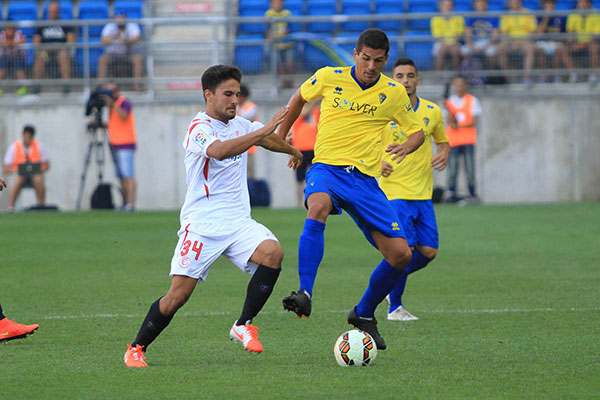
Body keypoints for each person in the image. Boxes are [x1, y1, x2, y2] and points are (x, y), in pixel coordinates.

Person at [122, 64, 302, 367]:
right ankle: (136, 348)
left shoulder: (240, 124)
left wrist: (290, 151)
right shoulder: (199, 128)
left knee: (273, 253)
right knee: (177, 297)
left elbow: (263, 140)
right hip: (201, 227)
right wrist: (263, 129)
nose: (235, 100)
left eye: (238, 94)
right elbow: (220, 151)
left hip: (238, 222)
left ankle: (243, 324)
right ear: (209, 95)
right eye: (227, 94)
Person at [277, 29, 425, 351]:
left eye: (379, 60)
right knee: (317, 205)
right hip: (327, 168)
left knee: (401, 255)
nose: (371, 66)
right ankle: (304, 292)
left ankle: (363, 312)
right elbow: (299, 97)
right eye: (366, 58)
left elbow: (417, 132)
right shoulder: (329, 77)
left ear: (385, 60)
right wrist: (283, 136)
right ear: (356, 54)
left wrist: (406, 147)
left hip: (365, 181)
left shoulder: (394, 93)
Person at [380, 57, 450, 321]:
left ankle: (387, 282)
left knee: (429, 251)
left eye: (410, 76)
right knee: (404, 252)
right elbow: (366, 143)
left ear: (417, 80)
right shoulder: (384, 112)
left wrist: (443, 153)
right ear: (392, 80)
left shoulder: (432, 111)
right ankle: (394, 307)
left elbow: (443, 142)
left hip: (423, 194)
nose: (405, 81)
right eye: (399, 76)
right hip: (395, 192)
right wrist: (379, 163)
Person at [445, 75, 482, 203]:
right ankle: (451, 194)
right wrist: (452, 123)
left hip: (468, 140)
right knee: (452, 169)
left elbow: (474, 120)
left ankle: (472, 194)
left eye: (462, 83)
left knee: (470, 169)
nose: (459, 86)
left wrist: (458, 125)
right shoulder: (450, 101)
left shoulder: (472, 100)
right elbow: (448, 119)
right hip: (453, 140)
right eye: (457, 84)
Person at [103, 83, 137, 211]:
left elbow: (124, 116)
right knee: (121, 175)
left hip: (126, 143)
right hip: (115, 143)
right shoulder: (112, 105)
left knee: (128, 174)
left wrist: (112, 104)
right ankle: (124, 202)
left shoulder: (123, 102)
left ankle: (131, 203)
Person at [3, 125, 50, 211]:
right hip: (20, 175)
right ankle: (11, 206)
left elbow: (46, 164)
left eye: (30, 136)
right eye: (26, 135)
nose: (28, 138)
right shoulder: (14, 146)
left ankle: (41, 205)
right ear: (23, 135)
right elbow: (6, 168)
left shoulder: (39, 146)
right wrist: (17, 170)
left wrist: (40, 169)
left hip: (35, 175)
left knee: (38, 179)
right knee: (19, 179)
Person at [33, 1, 75, 93]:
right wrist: (40, 47)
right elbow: (36, 40)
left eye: (55, 11)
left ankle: (66, 85)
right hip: (46, 51)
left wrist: (65, 46)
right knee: (40, 56)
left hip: (60, 50)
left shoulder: (64, 24)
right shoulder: (42, 25)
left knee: (63, 55)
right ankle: (36, 86)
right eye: (51, 11)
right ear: (48, 11)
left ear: (58, 11)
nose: (53, 13)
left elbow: (71, 39)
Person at [98, 13, 143, 90]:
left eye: (122, 18)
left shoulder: (132, 25)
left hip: (129, 53)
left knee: (138, 58)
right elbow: (103, 40)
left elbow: (137, 38)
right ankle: (101, 87)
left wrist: (125, 40)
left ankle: (137, 85)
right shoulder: (110, 26)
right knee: (103, 59)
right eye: (118, 18)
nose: (120, 20)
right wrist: (113, 37)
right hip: (113, 54)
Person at [286, 101, 319, 207]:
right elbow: (304, 113)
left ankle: (315, 202)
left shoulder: (316, 113)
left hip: (314, 148)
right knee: (299, 178)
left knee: (316, 177)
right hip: (300, 149)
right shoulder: (298, 115)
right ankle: (298, 204)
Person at [497, 0, 537, 84]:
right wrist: (512, 42)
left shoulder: (528, 13)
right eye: (512, 2)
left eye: (516, 2)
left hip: (524, 40)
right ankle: (507, 77)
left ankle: (526, 77)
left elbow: (532, 31)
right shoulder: (506, 15)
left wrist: (519, 42)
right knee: (500, 49)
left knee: (530, 49)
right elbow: (504, 32)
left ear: (520, 2)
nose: (514, 4)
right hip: (510, 40)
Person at [536, 0, 574, 83]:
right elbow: (538, 33)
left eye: (551, 4)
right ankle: (544, 74)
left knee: (558, 50)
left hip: (557, 43)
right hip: (544, 43)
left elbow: (565, 34)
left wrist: (559, 39)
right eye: (547, 4)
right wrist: (546, 18)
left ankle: (557, 75)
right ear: (544, 5)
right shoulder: (540, 16)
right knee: (538, 49)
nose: (549, 6)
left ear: (554, 5)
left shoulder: (560, 16)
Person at [566, 0, 600, 85]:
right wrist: (572, 41)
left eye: (583, 2)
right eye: (579, 2)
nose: (581, 4)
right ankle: (573, 75)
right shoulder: (574, 14)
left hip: (591, 43)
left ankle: (593, 75)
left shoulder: (596, 14)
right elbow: (570, 32)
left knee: (594, 47)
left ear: (589, 3)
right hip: (578, 43)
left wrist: (584, 43)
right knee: (564, 48)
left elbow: (596, 35)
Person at [265, 0, 295, 88]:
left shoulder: (287, 13)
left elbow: (292, 27)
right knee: (279, 64)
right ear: (271, 4)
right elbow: (267, 28)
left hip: (287, 44)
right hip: (276, 45)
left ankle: (290, 81)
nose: (277, 5)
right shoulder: (269, 14)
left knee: (289, 63)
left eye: (279, 2)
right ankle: (283, 82)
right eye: (275, 3)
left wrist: (287, 31)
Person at [463, 0, 500, 70]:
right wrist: (473, 46)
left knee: (492, 51)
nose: (481, 4)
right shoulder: (470, 17)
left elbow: (495, 36)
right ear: (475, 5)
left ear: (487, 4)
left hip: (488, 42)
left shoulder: (493, 17)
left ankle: (490, 73)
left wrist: (486, 46)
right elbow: (468, 35)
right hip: (474, 42)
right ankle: (466, 75)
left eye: (483, 3)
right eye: (478, 2)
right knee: (464, 51)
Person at [431, 0, 466, 73]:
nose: (448, 8)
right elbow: (438, 36)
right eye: (445, 6)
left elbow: (459, 34)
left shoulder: (459, 18)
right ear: (440, 7)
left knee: (455, 51)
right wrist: (446, 44)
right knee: (441, 51)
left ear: (453, 7)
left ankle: (456, 75)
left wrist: (452, 44)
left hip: (455, 43)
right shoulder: (435, 19)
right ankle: (438, 75)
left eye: (450, 6)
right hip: (441, 43)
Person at [237, 84, 260, 178]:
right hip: (237, 148)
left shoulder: (251, 106)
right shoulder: (236, 107)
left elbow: (247, 118)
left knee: (249, 176)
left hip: (249, 148)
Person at [0, 25, 28, 95]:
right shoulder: (2, 34)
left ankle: (23, 88)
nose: (9, 31)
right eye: (7, 29)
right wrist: (6, 43)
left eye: (11, 29)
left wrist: (13, 43)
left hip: (18, 56)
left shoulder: (18, 33)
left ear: (14, 30)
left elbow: (24, 40)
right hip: (5, 56)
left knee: (19, 69)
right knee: (1, 70)